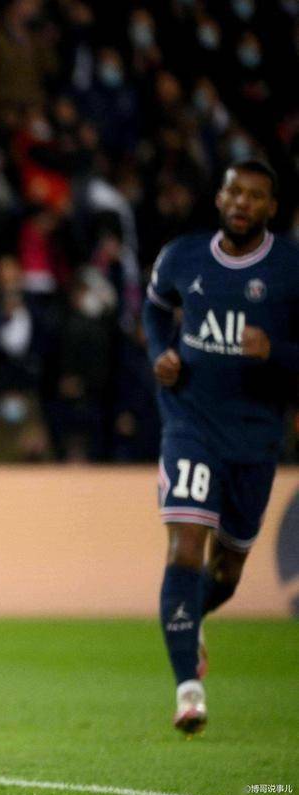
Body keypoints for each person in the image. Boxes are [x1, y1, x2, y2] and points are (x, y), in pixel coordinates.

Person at [143, 160, 299, 736]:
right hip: (189, 423)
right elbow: (155, 308)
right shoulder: (182, 256)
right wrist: (160, 353)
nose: (242, 203)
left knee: (226, 573)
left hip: (256, 437)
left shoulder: (290, 269)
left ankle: (192, 619)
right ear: (219, 196)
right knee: (185, 546)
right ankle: (188, 690)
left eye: (255, 196)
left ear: (271, 208)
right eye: (234, 191)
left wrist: (276, 353)